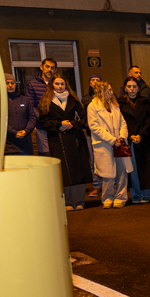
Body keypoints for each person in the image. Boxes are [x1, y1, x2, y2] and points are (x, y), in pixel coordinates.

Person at [38, 74, 93, 211]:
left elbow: (83, 119)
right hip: (57, 140)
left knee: (78, 169)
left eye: (62, 84)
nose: (60, 86)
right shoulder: (45, 102)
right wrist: (59, 124)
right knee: (64, 171)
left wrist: (72, 124)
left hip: (75, 138)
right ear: (52, 85)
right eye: (57, 84)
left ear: (66, 85)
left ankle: (79, 201)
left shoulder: (74, 100)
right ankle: (67, 202)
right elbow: (43, 122)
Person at [87, 82, 131, 209]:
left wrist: (122, 137)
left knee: (122, 171)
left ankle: (121, 197)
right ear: (101, 91)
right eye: (109, 90)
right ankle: (107, 197)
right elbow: (94, 127)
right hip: (104, 144)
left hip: (119, 143)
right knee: (107, 173)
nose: (112, 92)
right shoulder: (92, 106)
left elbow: (123, 123)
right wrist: (112, 140)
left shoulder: (115, 105)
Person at [119, 76, 150, 204]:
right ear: (125, 88)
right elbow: (119, 122)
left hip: (144, 139)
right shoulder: (120, 103)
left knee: (147, 167)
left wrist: (140, 134)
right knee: (131, 168)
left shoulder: (145, 102)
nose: (132, 89)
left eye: (134, 86)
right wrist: (130, 135)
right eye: (129, 86)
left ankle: (147, 194)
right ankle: (135, 194)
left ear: (138, 89)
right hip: (128, 139)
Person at [25, 57, 56, 155]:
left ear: (55, 70)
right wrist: (43, 119)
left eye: (52, 68)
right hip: (41, 125)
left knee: (58, 153)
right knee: (46, 154)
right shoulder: (32, 84)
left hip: (57, 125)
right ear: (41, 67)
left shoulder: (58, 83)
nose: (49, 70)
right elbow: (31, 105)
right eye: (47, 67)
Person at [81, 74, 104, 197]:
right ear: (89, 83)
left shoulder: (107, 96)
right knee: (94, 161)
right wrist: (87, 125)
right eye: (92, 80)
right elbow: (82, 116)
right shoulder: (85, 99)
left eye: (97, 80)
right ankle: (97, 185)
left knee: (109, 158)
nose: (95, 82)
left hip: (106, 133)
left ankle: (111, 184)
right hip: (91, 134)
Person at [5, 72, 36, 155]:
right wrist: (13, 132)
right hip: (8, 146)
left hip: (25, 144)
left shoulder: (25, 100)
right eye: (7, 83)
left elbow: (32, 117)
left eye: (12, 83)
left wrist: (26, 131)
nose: (10, 85)